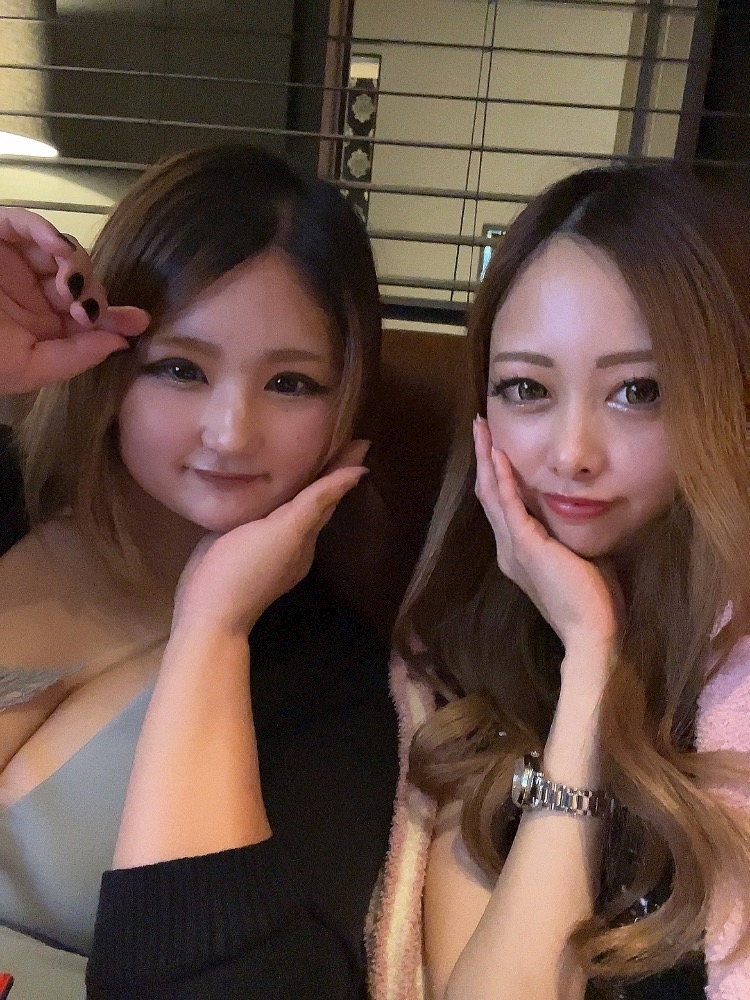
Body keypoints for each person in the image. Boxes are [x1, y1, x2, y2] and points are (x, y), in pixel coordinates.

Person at [0, 144, 401, 999]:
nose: (230, 432)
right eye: (182, 369)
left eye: (290, 383)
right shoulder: (8, 499)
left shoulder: (330, 683)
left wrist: (212, 632)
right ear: (107, 359)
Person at [383, 165, 750, 1000]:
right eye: (527, 389)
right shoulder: (467, 654)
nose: (573, 452)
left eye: (638, 392)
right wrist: (590, 661)